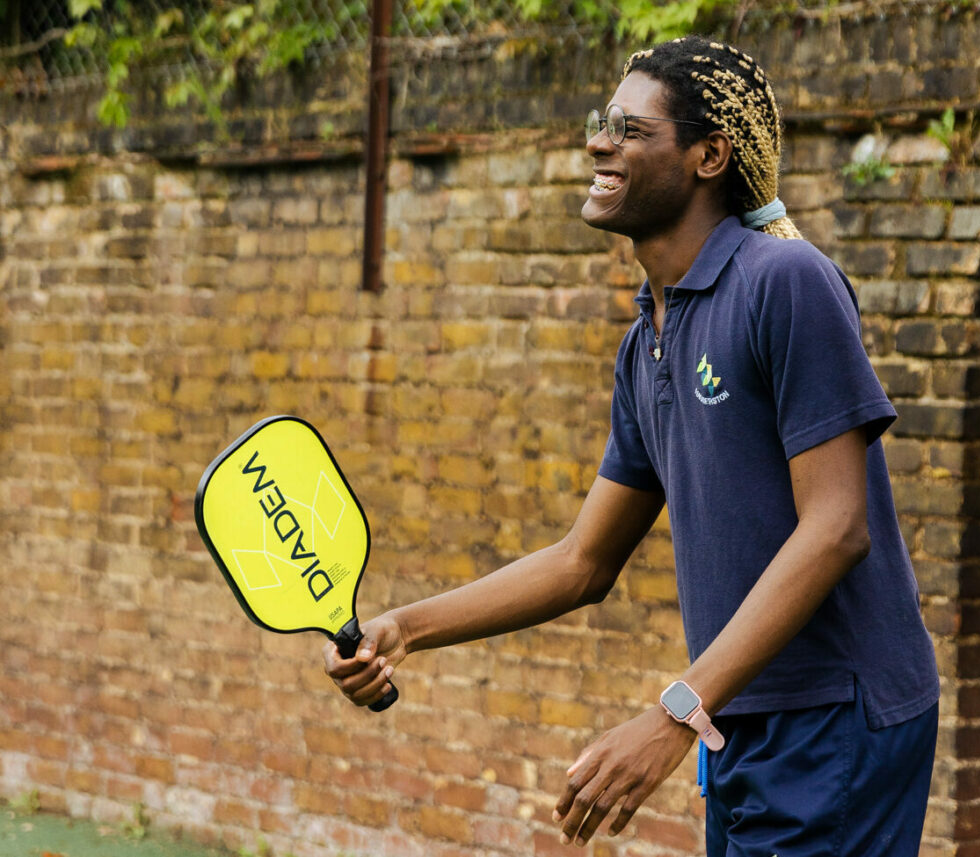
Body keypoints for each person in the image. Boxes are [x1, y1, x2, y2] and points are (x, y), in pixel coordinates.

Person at [324, 36, 940, 856]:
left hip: (835, 717)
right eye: (599, 123)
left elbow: (835, 527)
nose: (597, 143)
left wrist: (674, 711)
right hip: (740, 720)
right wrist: (406, 627)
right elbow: (583, 560)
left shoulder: (784, 283)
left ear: (708, 155)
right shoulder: (648, 335)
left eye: (629, 129)